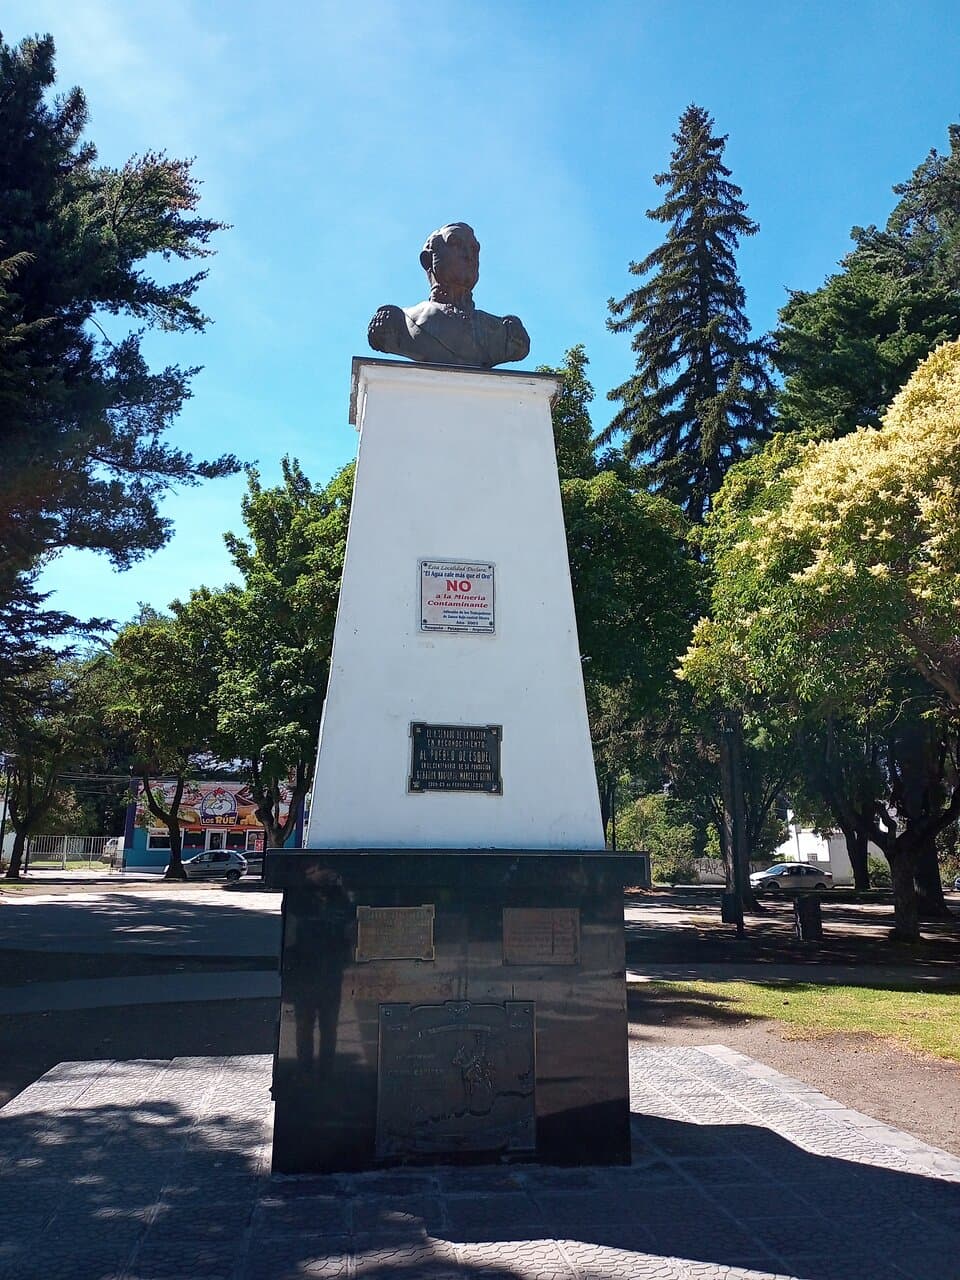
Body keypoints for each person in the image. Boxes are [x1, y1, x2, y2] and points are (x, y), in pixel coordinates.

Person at [368, 222, 530, 368]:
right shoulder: (399, 322)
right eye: (456, 244)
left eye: (474, 249)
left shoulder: (505, 332)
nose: (469, 255)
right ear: (428, 260)